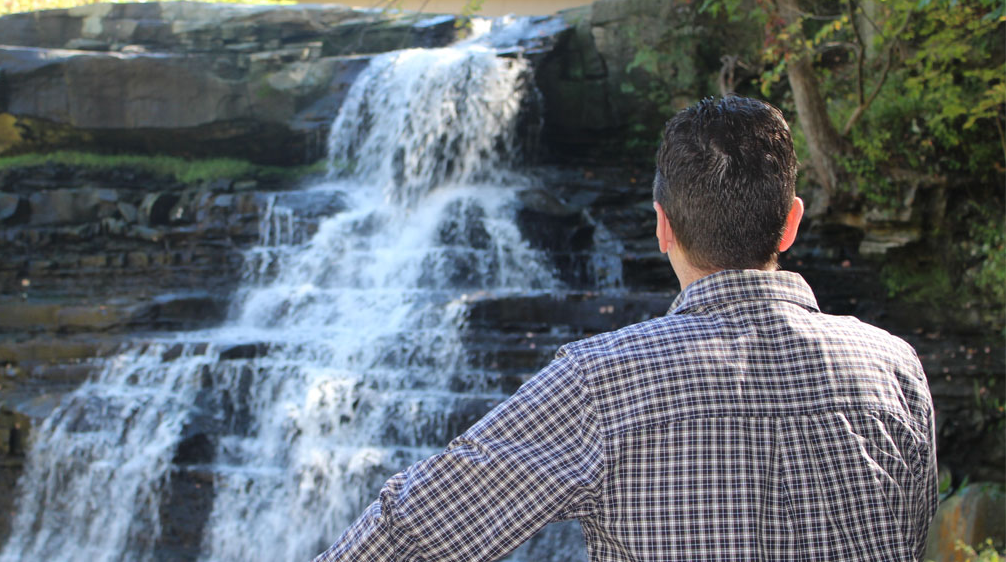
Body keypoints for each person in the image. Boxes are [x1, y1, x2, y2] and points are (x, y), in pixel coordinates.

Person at [313, 96, 937, 561]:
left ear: (662, 225)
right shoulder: (895, 369)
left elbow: (415, 528)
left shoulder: (603, 382)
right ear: (792, 223)